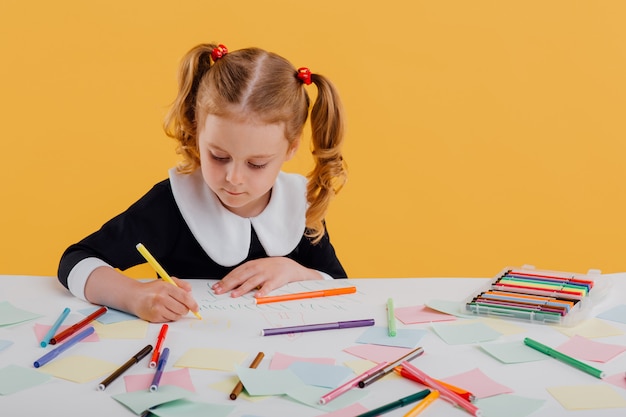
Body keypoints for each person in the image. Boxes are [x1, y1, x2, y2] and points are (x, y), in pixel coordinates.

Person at [57, 43, 348, 323]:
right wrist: (134, 296)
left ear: (291, 148)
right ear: (197, 131)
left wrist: (294, 270)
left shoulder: (299, 202)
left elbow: (340, 284)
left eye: (256, 164)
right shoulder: (173, 203)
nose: (233, 178)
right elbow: (76, 262)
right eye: (219, 156)